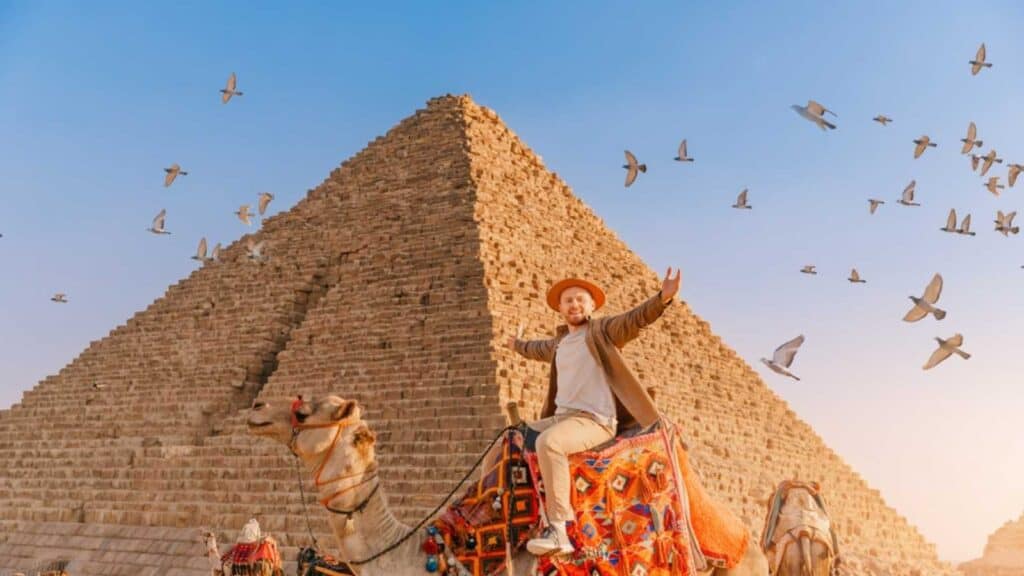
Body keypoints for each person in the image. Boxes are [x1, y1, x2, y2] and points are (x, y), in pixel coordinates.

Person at [506, 267, 681, 556]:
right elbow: (536, 349)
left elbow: (634, 320)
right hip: (563, 417)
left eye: (580, 299)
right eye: (568, 300)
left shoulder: (602, 332)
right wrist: (516, 345)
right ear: (560, 309)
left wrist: (662, 298)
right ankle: (521, 517)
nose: (574, 304)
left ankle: (559, 529)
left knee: (549, 443)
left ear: (592, 306)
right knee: (513, 436)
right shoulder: (560, 344)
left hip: (595, 420)